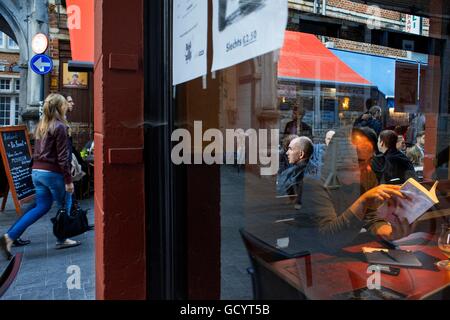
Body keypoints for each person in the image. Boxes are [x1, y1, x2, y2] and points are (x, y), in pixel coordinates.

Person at [291, 127, 413, 251]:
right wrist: (364, 201)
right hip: (308, 255)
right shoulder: (315, 182)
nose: (369, 168)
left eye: (370, 160)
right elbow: (328, 238)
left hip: (343, 251)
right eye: (359, 161)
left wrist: (389, 232)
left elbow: (372, 218)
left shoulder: (365, 177)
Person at [0, 93, 80, 260]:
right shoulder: (60, 127)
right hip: (53, 173)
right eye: (64, 104)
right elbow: (63, 157)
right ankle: (62, 238)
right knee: (65, 202)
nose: (66, 106)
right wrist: (68, 181)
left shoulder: (42, 125)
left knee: (41, 207)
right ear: (59, 107)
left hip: (37, 172)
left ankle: (9, 236)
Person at [277, 136, 314, 210]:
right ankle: (294, 199)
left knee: (298, 185)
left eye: (290, 148)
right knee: (292, 184)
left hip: (295, 168)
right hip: (290, 168)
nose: (288, 151)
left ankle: (297, 202)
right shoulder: (283, 152)